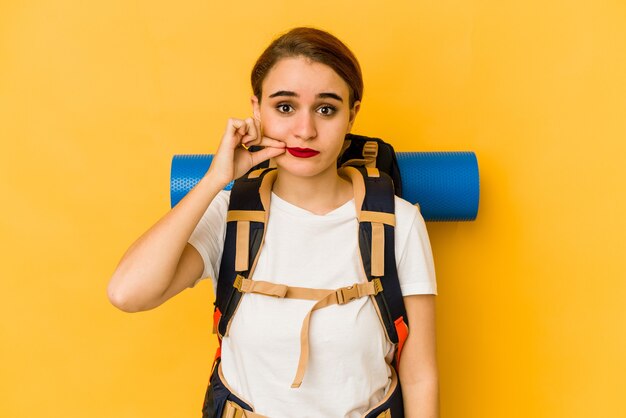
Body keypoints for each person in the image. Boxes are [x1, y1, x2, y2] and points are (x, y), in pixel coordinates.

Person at [108, 27, 438, 418]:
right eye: (285, 107)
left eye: (326, 108)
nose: (305, 130)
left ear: (352, 114)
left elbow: (419, 375)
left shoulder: (399, 222)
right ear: (256, 109)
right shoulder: (230, 212)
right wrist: (216, 179)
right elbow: (127, 293)